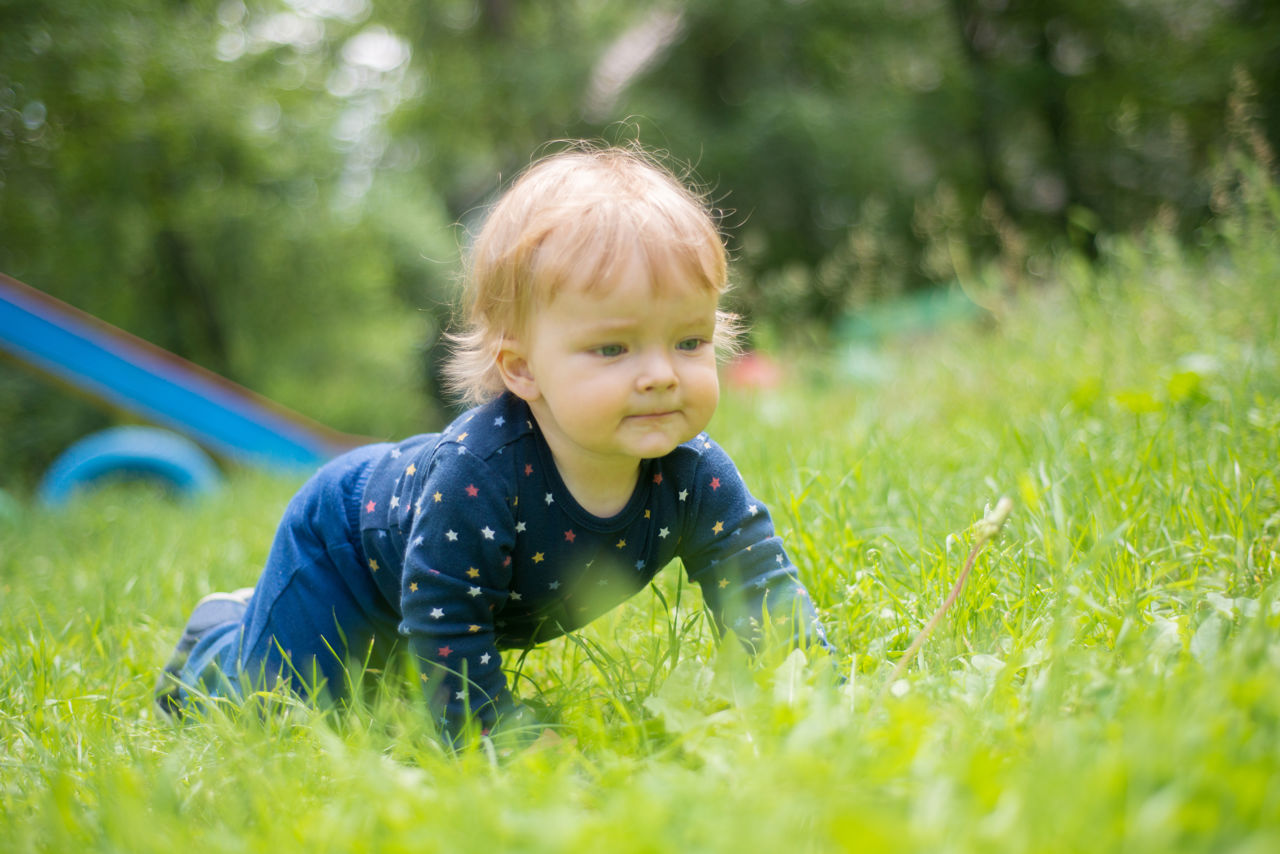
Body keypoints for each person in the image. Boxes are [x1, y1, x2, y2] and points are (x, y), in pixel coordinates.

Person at [157, 143, 834, 745]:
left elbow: (758, 586)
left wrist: (804, 689)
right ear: (522, 369)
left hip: (421, 585)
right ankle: (216, 643)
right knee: (286, 713)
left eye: (688, 341)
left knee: (378, 697)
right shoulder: (482, 476)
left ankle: (359, 663)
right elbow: (446, 612)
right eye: (613, 347)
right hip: (347, 551)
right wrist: (492, 735)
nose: (660, 373)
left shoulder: (694, 476)